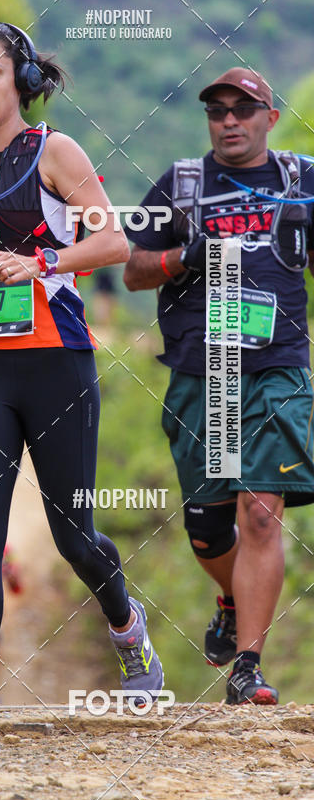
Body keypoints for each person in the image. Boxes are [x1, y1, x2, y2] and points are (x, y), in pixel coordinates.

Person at [0, 21, 164, 756]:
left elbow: (113, 243)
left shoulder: (55, 153)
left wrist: (41, 266)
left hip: (57, 365)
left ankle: (126, 627)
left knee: (73, 533)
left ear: (21, 81)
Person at [123, 67, 314, 706]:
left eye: (243, 109)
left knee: (261, 512)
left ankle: (248, 669)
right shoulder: (180, 185)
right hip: (202, 374)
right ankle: (230, 601)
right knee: (208, 530)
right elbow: (131, 270)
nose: (229, 120)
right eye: (218, 111)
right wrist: (184, 256)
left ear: (269, 116)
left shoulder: (303, 182)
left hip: (277, 368)